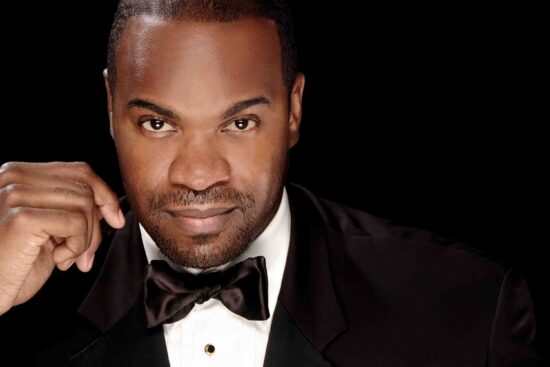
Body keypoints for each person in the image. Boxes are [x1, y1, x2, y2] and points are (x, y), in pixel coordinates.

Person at [0, 1, 541, 366]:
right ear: (110, 107)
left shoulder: (468, 311)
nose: (197, 174)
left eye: (239, 123)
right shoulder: (18, 300)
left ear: (293, 111)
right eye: (158, 124)